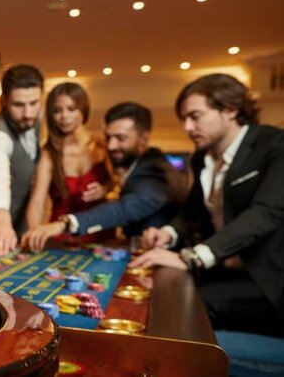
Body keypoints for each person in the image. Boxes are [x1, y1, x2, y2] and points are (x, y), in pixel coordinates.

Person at [132, 74, 284, 336]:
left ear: (231, 109)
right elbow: (192, 212)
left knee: (181, 306)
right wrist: (168, 233)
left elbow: (265, 214)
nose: (188, 128)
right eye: (185, 119)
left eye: (196, 116)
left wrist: (191, 258)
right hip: (222, 270)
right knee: (157, 292)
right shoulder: (202, 157)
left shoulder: (274, 145)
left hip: (266, 280)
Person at [21, 102, 184, 251]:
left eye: (121, 138)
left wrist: (64, 224)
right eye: (108, 137)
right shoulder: (137, 167)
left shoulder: (156, 170)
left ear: (144, 138)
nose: (111, 146)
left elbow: (124, 209)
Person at [21, 83, 110, 251]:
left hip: (100, 227)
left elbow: (119, 183)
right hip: (62, 234)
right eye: (57, 111)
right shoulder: (49, 153)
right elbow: (37, 200)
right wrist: (35, 233)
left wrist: (105, 188)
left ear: (83, 110)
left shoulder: (101, 145)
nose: (64, 116)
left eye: (71, 108)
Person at [0, 64, 43, 257]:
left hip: (18, 227)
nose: (28, 113)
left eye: (34, 103)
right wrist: (2, 219)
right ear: (4, 101)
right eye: (18, 105)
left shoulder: (38, 121)